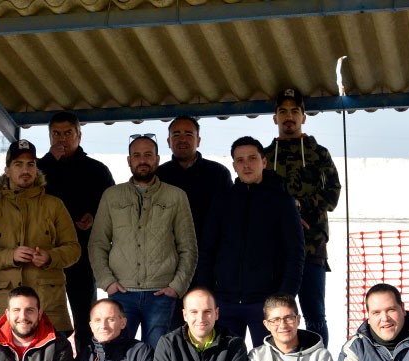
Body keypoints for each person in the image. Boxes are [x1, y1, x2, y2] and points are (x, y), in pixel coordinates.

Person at [88, 134, 197, 348]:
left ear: (157, 159)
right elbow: (97, 243)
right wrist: (107, 282)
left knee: (158, 357)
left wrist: (177, 286)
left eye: (148, 155)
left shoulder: (176, 196)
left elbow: (188, 247)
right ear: (129, 160)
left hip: (161, 294)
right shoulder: (112, 196)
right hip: (122, 293)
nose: (142, 160)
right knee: (118, 356)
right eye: (136, 155)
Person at [196, 136, 305, 348]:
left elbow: (295, 254)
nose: (247, 165)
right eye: (240, 160)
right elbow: (207, 250)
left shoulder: (281, 202)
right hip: (225, 302)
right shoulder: (222, 200)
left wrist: (283, 299)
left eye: (252, 158)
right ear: (234, 165)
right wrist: (208, 293)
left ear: (264, 161)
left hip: (266, 305)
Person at [0, 139, 80, 335]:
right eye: (18, 164)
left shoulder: (54, 205)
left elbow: (73, 249)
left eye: (30, 164)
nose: (25, 170)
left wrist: (50, 257)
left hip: (49, 306)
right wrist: (11, 255)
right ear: (7, 170)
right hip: (9, 310)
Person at [265, 89, 341, 347]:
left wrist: (296, 208)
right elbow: (257, 201)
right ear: (274, 118)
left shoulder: (319, 153)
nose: (289, 117)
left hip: (312, 247)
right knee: (275, 315)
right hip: (273, 251)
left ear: (303, 117)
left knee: (315, 316)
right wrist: (287, 217)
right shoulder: (263, 157)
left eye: (295, 111)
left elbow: (332, 195)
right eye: (283, 111)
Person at [38, 111, 115, 352]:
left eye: (68, 133)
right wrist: (49, 161)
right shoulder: (39, 169)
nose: (62, 139)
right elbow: (22, 191)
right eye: (56, 134)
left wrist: (94, 217)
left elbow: (112, 209)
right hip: (46, 259)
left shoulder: (97, 170)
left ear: (79, 136)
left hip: (83, 257)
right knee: (46, 320)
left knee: (85, 320)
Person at [157, 116, 233, 329]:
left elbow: (227, 222)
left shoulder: (218, 173)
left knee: (206, 324)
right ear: (168, 141)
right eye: (176, 135)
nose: (182, 139)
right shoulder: (159, 175)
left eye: (188, 134)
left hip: (208, 264)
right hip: (168, 265)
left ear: (199, 140)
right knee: (172, 327)